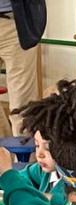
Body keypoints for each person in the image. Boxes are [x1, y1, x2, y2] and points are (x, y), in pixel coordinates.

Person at [0, 0, 45, 135]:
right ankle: (4, 153)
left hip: (16, 25)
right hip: (14, 23)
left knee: (22, 108)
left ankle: (24, 155)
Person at [0, 129, 66, 205]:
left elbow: (68, 201)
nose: (39, 154)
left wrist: (36, 196)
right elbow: (21, 177)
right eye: (37, 146)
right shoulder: (42, 170)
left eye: (47, 148)